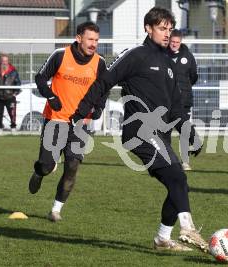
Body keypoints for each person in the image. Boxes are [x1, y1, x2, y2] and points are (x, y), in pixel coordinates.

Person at [71, 7, 207, 252]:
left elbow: (176, 107)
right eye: (161, 28)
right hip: (140, 132)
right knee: (177, 177)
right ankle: (188, 229)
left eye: (169, 29)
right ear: (148, 28)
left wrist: (189, 133)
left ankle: (163, 239)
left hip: (160, 135)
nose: (167, 34)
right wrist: (82, 111)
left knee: (179, 184)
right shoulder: (135, 55)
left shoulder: (169, 64)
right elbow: (104, 81)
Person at [28, 22, 107, 222]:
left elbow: (104, 88)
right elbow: (40, 78)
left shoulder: (99, 63)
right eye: (90, 39)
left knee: (72, 166)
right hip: (55, 120)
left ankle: (56, 210)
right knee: (46, 166)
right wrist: (51, 97)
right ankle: (39, 173)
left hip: (81, 124)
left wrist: (99, 107)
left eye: (96, 40)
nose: (93, 44)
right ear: (79, 38)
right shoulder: (60, 55)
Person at [167, 29, 198, 171]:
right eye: (172, 42)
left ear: (181, 42)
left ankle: (185, 161)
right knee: (163, 131)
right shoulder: (162, 55)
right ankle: (165, 160)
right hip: (165, 100)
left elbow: (193, 76)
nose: (174, 44)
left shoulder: (188, 57)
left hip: (183, 101)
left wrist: (183, 89)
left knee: (184, 130)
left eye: (177, 42)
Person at [0, 54, 21, 136]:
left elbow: (18, 83)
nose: (5, 63)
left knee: (12, 113)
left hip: (10, 96)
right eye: (3, 61)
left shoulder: (13, 71)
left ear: (8, 61)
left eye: (6, 61)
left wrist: (15, 92)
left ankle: (13, 128)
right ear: (1, 61)